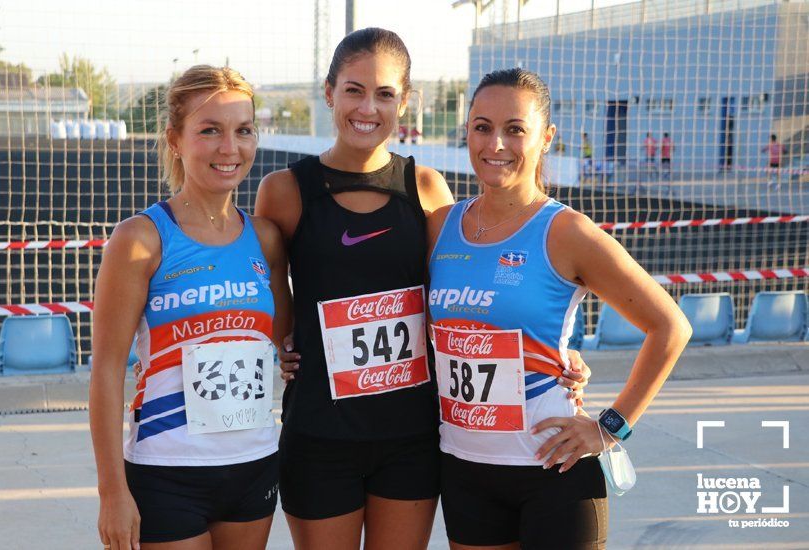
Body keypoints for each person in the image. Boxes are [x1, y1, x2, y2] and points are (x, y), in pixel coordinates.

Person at [255, 29, 591, 550]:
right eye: (353, 90)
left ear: (404, 101)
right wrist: (285, 347)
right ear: (328, 93)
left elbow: (466, 298)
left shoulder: (428, 189)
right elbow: (274, 306)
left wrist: (554, 357)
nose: (368, 107)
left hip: (411, 437)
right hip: (320, 434)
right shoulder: (284, 192)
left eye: (385, 93)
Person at [427, 68, 691, 549]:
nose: (496, 144)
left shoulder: (567, 232)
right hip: (463, 469)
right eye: (482, 126)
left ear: (546, 137)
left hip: (552, 469)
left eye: (515, 129)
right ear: (466, 130)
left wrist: (611, 428)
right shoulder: (441, 226)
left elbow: (669, 327)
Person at [90, 65, 291, 550]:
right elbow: (107, 367)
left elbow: (281, 340)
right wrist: (112, 491)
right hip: (169, 470)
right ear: (175, 141)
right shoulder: (140, 239)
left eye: (243, 131)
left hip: (255, 463)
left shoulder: (265, 238)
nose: (230, 148)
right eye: (210, 131)